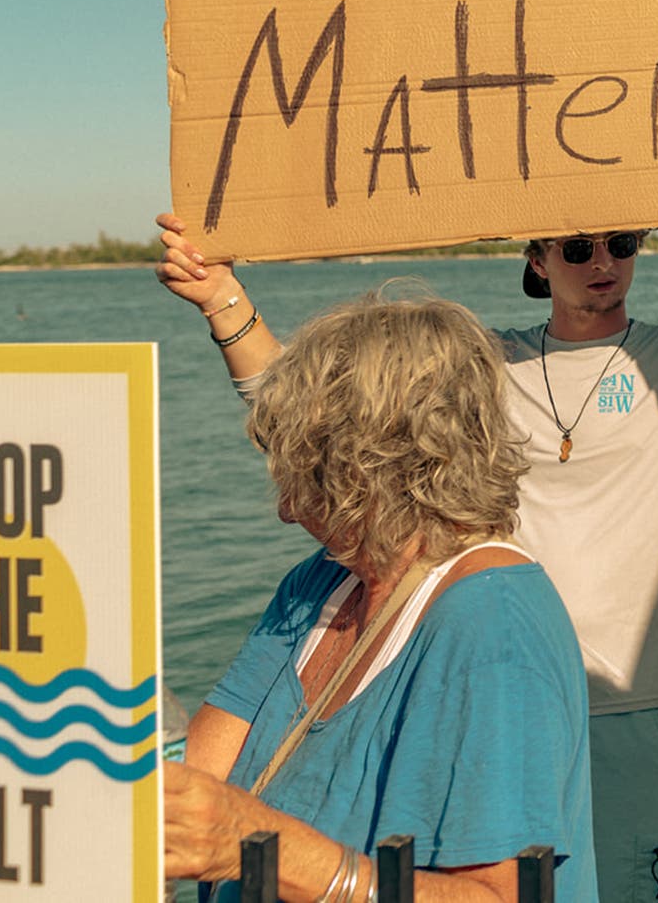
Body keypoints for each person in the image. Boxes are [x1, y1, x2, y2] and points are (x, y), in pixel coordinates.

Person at [158, 131, 658, 903]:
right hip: (474, 687)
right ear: (536, 258)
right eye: (578, 248)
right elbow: (315, 419)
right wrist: (224, 301)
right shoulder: (479, 365)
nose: (603, 264)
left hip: (634, 706)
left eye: (622, 245)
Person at [166, 290, 597, 902]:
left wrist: (258, 846)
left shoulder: (494, 627)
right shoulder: (323, 582)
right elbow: (192, 778)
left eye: (313, 475)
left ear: (381, 469)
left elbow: (498, 897)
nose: (288, 510)